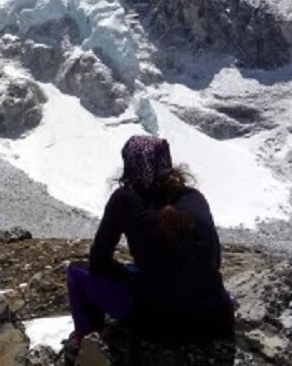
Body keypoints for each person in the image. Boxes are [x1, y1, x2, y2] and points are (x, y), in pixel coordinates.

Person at [64, 135, 235, 356]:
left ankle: (84, 339)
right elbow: (213, 260)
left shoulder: (125, 198)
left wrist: (130, 277)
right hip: (215, 320)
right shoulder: (194, 197)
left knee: (76, 272)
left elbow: (99, 261)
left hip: (155, 323)